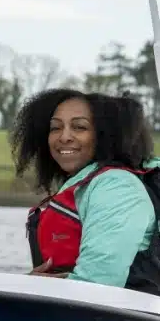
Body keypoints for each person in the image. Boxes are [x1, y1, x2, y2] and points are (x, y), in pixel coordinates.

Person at [10, 88, 160, 292]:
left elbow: (97, 284)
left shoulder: (116, 187)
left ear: (105, 136)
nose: (64, 137)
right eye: (55, 128)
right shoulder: (85, 185)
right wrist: (30, 283)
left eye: (79, 127)